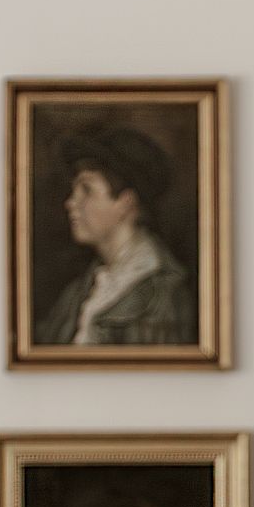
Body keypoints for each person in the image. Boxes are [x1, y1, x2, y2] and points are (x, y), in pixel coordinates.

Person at [36, 123, 196, 347]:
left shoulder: (162, 297)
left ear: (126, 203)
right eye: (74, 190)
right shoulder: (81, 290)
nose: (71, 203)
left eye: (86, 190)